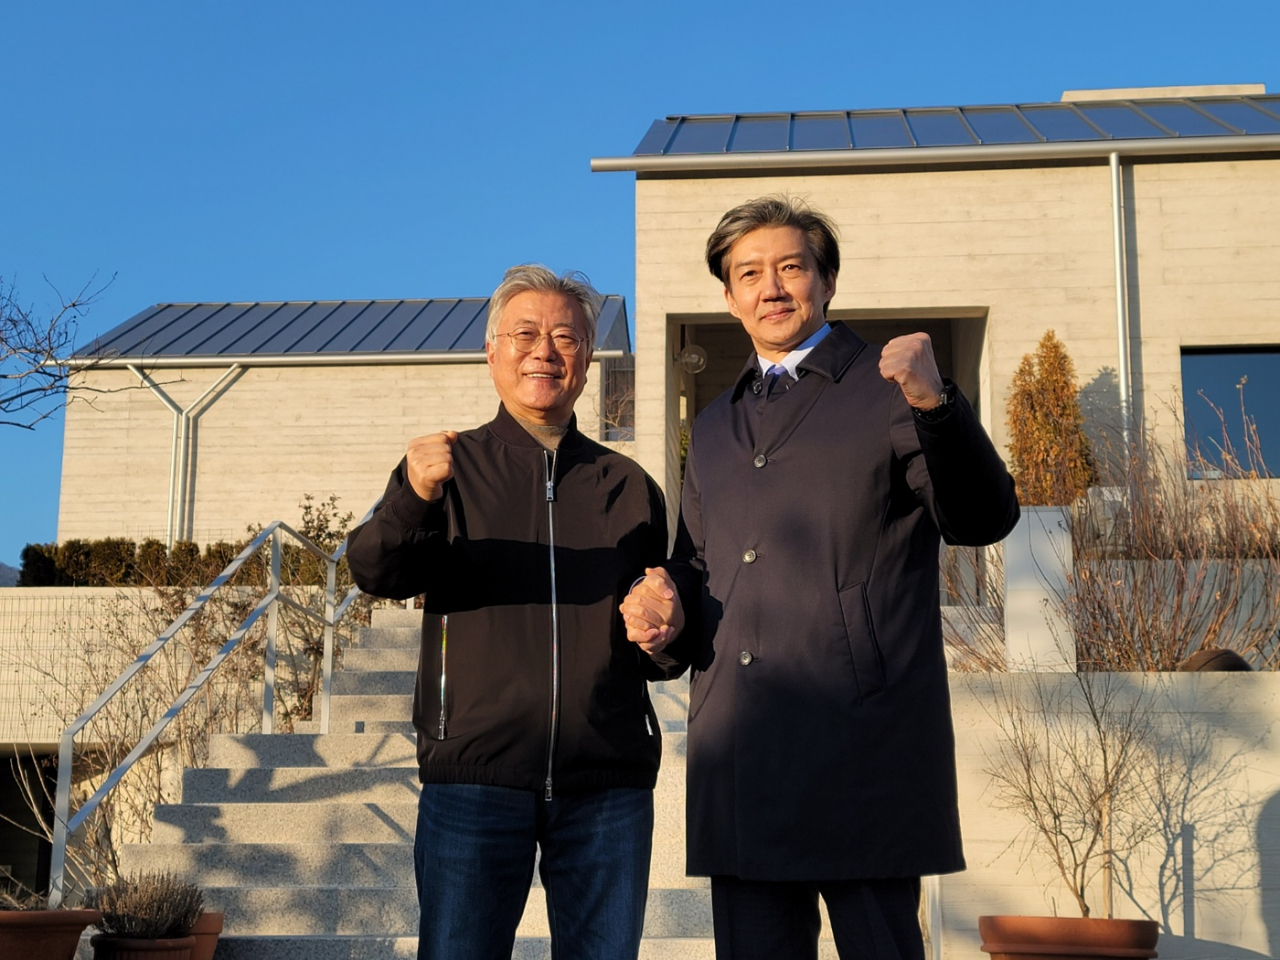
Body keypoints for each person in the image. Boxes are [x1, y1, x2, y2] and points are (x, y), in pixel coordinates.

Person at [621, 196, 1021, 960]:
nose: (771, 287)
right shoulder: (713, 425)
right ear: (729, 298)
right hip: (740, 748)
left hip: (860, 743)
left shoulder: (889, 388)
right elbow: (700, 561)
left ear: (827, 281)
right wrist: (663, 611)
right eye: (749, 274)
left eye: (790, 267)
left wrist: (937, 405)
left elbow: (982, 519)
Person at [347, 264, 684, 960]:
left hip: (607, 786)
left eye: (566, 336)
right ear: (491, 351)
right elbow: (375, 571)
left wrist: (666, 634)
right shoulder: (446, 468)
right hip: (473, 777)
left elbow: (665, 651)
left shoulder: (630, 488)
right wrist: (411, 495)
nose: (545, 350)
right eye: (525, 333)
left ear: (589, 360)